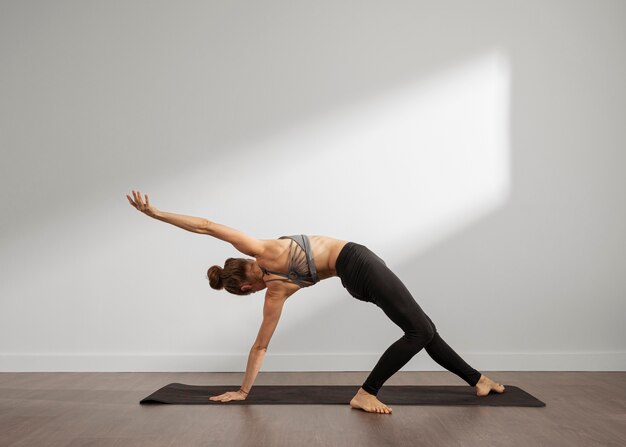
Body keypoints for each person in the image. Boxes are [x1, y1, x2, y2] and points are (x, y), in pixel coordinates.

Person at [127, 190, 506, 414]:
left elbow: (207, 226)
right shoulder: (275, 291)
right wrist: (243, 391)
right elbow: (260, 344)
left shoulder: (264, 255)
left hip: (356, 272)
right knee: (419, 329)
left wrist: (157, 213)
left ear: (243, 286)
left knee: (423, 330)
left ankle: (478, 379)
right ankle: (366, 393)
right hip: (357, 265)